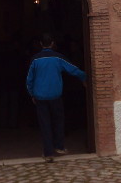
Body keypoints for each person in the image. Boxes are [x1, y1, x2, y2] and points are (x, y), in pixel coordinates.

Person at [26, 33, 86, 162]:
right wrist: (84, 77)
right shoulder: (58, 58)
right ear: (52, 43)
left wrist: (31, 94)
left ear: (40, 44)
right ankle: (59, 147)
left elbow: (29, 79)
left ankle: (48, 153)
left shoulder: (35, 59)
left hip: (40, 96)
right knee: (58, 121)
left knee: (45, 124)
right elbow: (73, 69)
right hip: (55, 96)